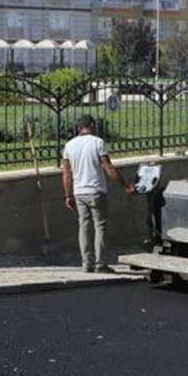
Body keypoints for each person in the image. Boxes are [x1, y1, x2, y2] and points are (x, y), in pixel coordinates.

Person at [62, 115, 134, 273]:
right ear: (92, 125)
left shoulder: (69, 146)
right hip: (96, 191)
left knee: (84, 226)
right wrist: (125, 185)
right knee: (100, 226)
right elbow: (108, 167)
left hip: (79, 192)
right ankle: (101, 264)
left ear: (79, 128)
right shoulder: (97, 142)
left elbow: (66, 174)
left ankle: (86, 264)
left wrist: (68, 195)